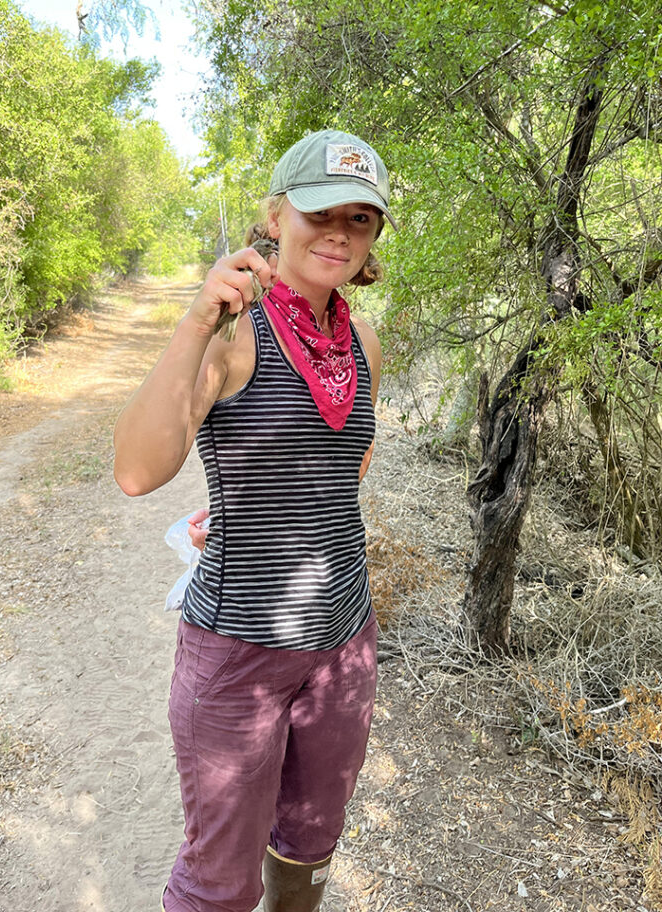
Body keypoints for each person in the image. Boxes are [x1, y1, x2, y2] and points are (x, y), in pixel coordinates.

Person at [113, 129, 397, 912]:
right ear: (276, 216)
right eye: (319, 212)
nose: (339, 232)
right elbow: (137, 471)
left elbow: (347, 466)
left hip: (344, 645)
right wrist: (197, 320)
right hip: (237, 653)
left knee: (309, 850)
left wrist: (266, 499)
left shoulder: (363, 341)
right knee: (218, 882)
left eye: (360, 219)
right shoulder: (234, 332)